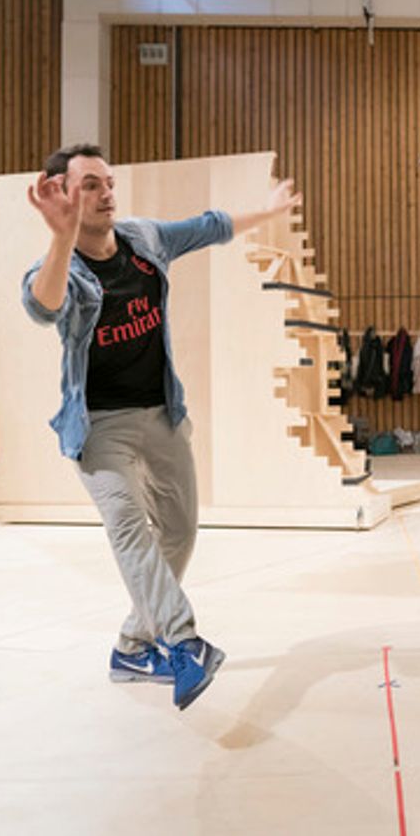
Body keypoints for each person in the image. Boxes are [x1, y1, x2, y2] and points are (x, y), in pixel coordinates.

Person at [22, 143, 303, 709]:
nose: (105, 194)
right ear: (61, 195)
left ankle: (132, 645)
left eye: (107, 182)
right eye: (90, 186)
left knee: (179, 531)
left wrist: (268, 213)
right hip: (99, 428)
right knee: (128, 528)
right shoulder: (62, 268)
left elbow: (210, 227)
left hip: (160, 413)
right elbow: (42, 305)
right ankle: (182, 641)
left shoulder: (145, 240)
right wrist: (60, 237)